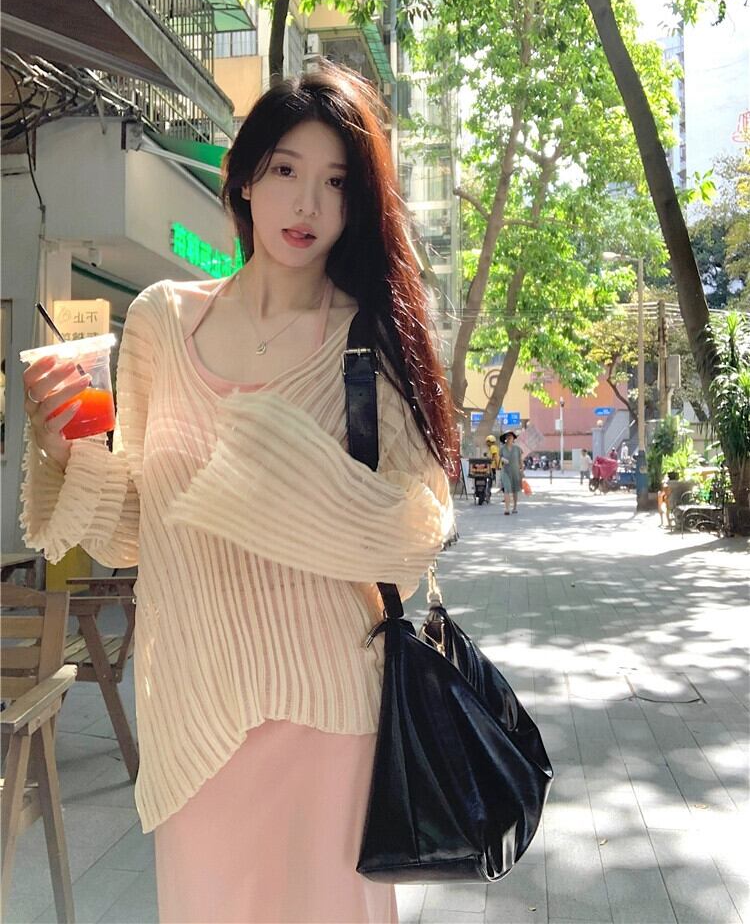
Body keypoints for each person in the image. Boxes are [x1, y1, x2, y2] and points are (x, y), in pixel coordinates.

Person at [20, 62, 457, 924]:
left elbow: (415, 533)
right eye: (286, 169)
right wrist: (62, 449)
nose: (307, 203)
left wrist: (267, 478)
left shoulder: (366, 339)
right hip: (193, 708)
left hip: (329, 705)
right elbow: (141, 527)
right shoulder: (159, 320)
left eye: (336, 181)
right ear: (246, 177)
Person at [499, 430, 524, 515]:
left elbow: (520, 460)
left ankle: (515, 507)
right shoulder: (502, 449)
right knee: (506, 489)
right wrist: (503, 459)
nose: (509, 437)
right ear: (505, 438)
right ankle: (507, 509)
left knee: (515, 490)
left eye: (511, 436)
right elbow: (499, 458)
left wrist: (522, 470)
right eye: (508, 436)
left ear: (513, 438)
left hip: (515, 472)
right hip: (505, 471)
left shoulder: (517, 449)